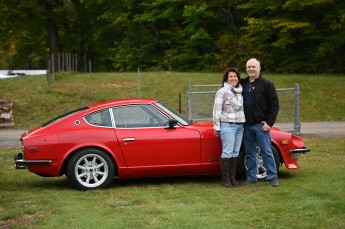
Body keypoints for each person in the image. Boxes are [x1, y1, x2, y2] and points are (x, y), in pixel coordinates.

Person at [240, 58, 280, 187]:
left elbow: (275, 105)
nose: (251, 69)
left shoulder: (267, 84)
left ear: (259, 68)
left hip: (261, 126)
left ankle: (272, 177)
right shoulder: (243, 83)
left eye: (253, 67)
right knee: (250, 153)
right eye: (249, 67)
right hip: (246, 125)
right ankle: (251, 178)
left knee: (266, 151)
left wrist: (269, 123)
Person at [213, 67, 245, 188]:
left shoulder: (240, 92)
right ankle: (225, 179)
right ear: (226, 78)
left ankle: (233, 178)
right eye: (231, 76)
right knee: (227, 152)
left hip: (240, 126)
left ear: (238, 78)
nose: (233, 78)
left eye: (235, 76)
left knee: (235, 152)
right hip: (228, 126)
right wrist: (217, 127)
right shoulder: (222, 92)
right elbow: (216, 111)